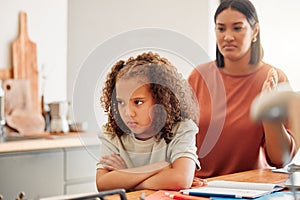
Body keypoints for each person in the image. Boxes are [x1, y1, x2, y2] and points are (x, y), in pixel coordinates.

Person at [188, 0, 297, 179]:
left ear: (255, 31)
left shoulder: (275, 78)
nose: (228, 36)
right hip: (200, 186)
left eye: (237, 28)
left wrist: (270, 115)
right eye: (221, 29)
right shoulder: (199, 76)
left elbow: (280, 159)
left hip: (251, 187)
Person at [96, 52, 206, 191]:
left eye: (138, 102)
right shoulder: (111, 134)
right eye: (121, 102)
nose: (128, 112)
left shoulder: (182, 129)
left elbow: (180, 179)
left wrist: (126, 177)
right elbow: (102, 184)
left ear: (161, 101)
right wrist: (160, 168)